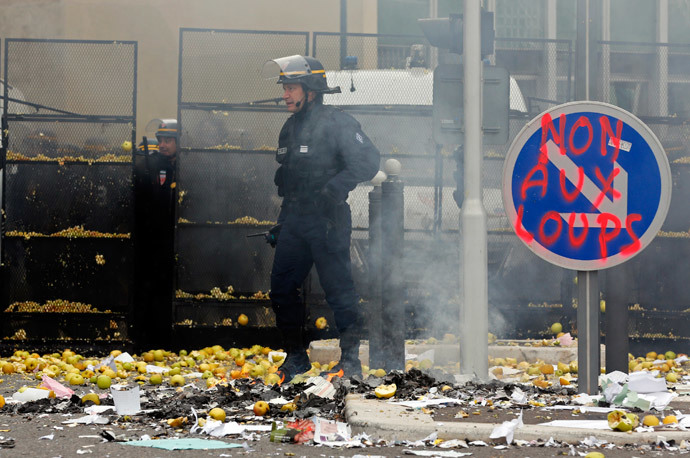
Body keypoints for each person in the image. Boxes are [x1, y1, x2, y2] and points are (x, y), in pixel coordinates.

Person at [263, 55, 380, 379]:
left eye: (291, 88)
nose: (285, 94)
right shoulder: (290, 128)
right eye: (284, 88)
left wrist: (335, 188)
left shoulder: (337, 123)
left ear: (311, 90)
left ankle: (351, 361)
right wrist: (283, 222)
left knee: (339, 289)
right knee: (282, 289)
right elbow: (288, 183)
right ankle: (296, 358)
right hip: (296, 220)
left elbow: (369, 161)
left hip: (328, 221)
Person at [132, 119, 178, 350]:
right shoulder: (151, 167)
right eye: (160, 140)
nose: (163, 144)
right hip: (152, 239)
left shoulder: (184, 167)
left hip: (176, 239)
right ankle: (146, 341)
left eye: (168, 140)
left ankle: (167, 340)